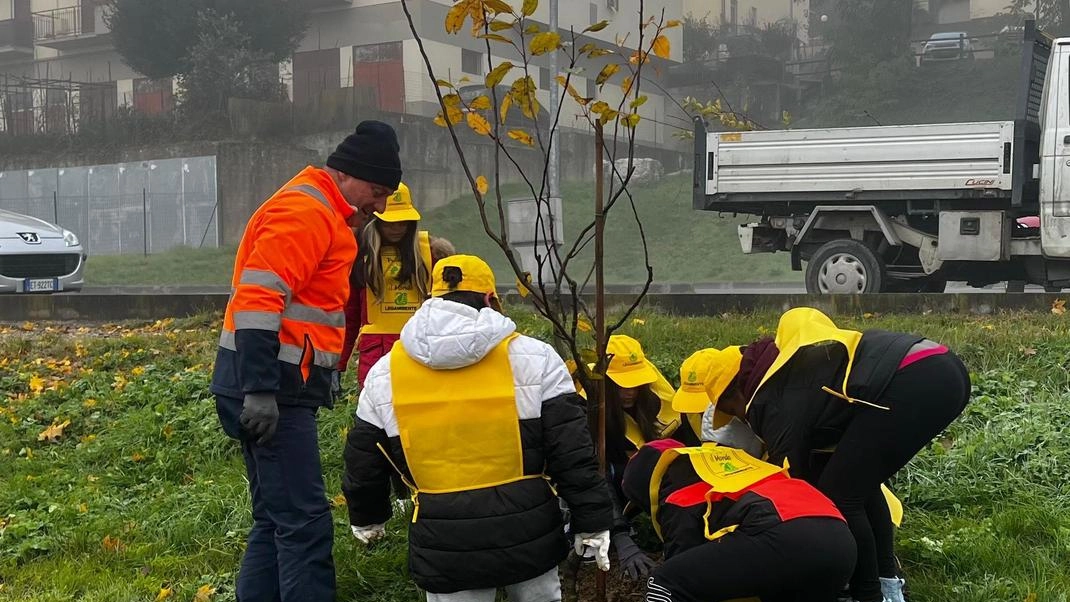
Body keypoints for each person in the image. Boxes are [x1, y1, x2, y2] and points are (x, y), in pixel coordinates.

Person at [342, 254, 615, 601]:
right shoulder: (536, 357)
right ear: (489, 300)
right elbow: (572, 451)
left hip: (444, 541)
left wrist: (368, 518)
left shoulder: (385, 372)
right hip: (529, 529)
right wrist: (591, 519)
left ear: (432, 300)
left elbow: (364, 460)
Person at [210, 120, 402, 602]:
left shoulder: (323, 212)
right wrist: (259, 390)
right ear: (348, 174)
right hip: (271, 391)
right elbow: (258, 301)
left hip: (270, 387)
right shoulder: (306, 212)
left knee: (275, 518)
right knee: (304, 523)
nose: (379, 206)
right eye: (377, 192)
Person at [685, 307, 971, 602]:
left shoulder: (770, 401)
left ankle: (868, 595)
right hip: (940, 365)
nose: (740, 418)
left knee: (840, 496)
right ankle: (888, 587)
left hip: (915, 377)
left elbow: (795, 485)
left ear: (737, 392)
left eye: (732, 411)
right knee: (861, 486)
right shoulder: (787, 367)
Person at [621, 439, 857, 602]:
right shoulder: (725, 465)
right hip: (839, 537)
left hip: (786, 536)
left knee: (665, 583)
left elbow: (687, 573)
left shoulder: (678, 489)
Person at [337, 182, 446, 387]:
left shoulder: (432, 256)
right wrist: (338, 365)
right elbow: (350, 316)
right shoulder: (360, 259)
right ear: (376, 221)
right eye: (390, 222)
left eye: (403, 222)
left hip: (423, 353)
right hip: (375, 360)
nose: (397, 227)